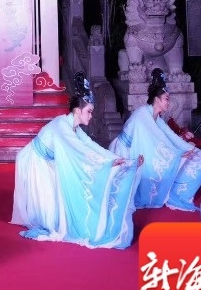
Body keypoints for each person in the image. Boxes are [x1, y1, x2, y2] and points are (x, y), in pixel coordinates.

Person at [12, 72, 143, 248]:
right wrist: (106, 163)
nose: (91, 116)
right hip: (34, 161)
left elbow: (91, 145)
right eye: (89, 111)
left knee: (56, 210)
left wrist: (120, 160)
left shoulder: (75, 129)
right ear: (77, 110)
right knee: (48, 216)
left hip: (48, 161)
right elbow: (80, 149)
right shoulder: (62, 126)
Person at [110, 68, 201, 210]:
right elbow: (157, 142)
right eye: (166, 99)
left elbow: (172, 138)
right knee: (160, 167)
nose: (168, 102)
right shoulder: (142, 114)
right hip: (124, 154)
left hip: (138, 152)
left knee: (180, 161)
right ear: (157, 99)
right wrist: (178, 155)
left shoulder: (157, 118)